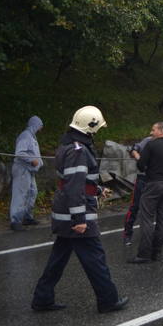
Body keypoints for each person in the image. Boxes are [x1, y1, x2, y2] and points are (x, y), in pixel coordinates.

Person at [31, 106, 128, 313]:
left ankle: (42, 298)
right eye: (97, 128)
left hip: (66, 213)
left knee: (58, 258)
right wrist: (79, 218)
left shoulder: (69, 146)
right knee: (95, 257)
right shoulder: (78, 150)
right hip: (75, 214)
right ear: (90, 127)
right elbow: (74, 185)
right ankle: (108, 300)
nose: (97, 132)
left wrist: (98, 188)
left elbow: (76, 180)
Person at [128, 122, 163, 263]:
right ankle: (157, 253)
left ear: (161, 130)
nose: (151, 132)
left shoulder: (151, 145)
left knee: (147, 218)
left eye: (153, 129)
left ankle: (143, 255)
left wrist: (136, 155)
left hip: (153, 184)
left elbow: (141, 166)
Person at [10, 116, 44, 231]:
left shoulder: (32, 137)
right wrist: (32, 160)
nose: (41, 129)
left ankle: (27, 217)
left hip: (29, 170)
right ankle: (15, 221)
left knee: (32, 192)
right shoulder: (25, 135)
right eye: (40, 126)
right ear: (35, 124)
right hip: (22, 169)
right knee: (20, 194)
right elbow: (19, 152)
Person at [122, 133, 153, 246]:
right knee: (135, 206)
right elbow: (135, 148)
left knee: (153, 208)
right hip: (142, 178)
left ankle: (156, 235)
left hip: (155, 179)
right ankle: (127, 234)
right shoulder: (149, 140)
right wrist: (137, 156)